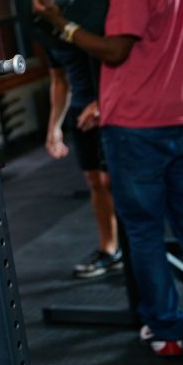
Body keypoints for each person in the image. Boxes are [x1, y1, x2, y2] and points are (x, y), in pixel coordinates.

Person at [32, 0, 183, 360]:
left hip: (137, 130)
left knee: (145, 232)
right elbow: (151, 51)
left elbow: (116, 50)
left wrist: (62, 23)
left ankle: (166, 330)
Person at [41, 44, 122, 278]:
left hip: (114, 104)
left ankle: (142, 245)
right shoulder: (45, 32)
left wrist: (104, 102)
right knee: (95, 181)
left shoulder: (90, 25)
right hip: (80, 110)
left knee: (114, 180)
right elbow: (59, 80)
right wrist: (54, 127)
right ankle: (110, 250)